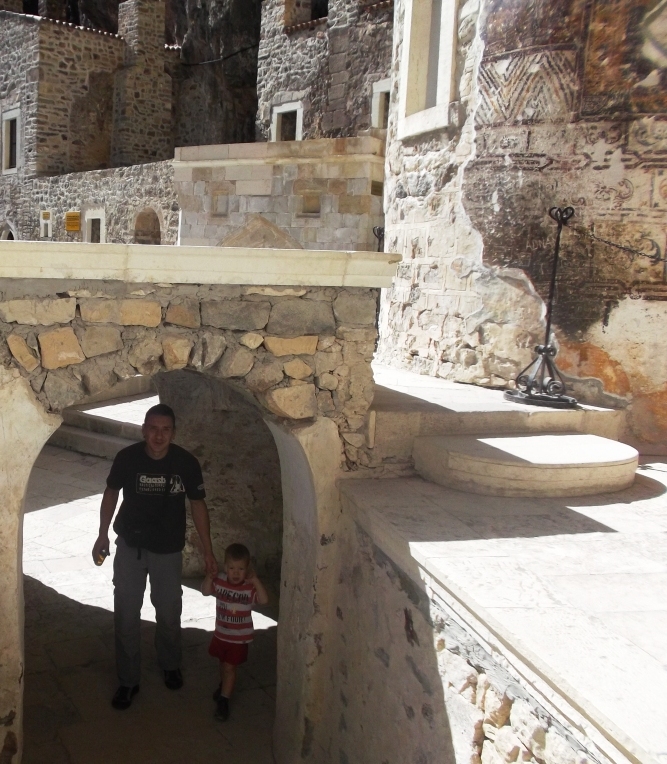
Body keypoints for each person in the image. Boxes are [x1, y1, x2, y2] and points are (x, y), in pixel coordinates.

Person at [91, 403, 217, 710]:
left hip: (168, 549)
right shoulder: (127, 458)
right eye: (153, 429)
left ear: (173, 433)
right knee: (126, 614)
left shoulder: (185, 462)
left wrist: (208, 550)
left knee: (169, 611)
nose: (159, 436)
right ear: (144, 430)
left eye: (165, 430)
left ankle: (170, 664)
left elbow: (198, 504)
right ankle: (128, 680)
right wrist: (102, 533)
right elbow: (111, 493)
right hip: (130, 546)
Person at [202, 543, 269, 721]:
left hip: (238, 639)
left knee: (230, 667)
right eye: (232, 568)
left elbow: (264, 600)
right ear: (225, 567)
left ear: (247, 569)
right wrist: (209, 577)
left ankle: (224, 699)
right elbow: (205, 591)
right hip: (221, 634)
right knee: (223, 663)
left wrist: (255, 581)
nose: (236, 573)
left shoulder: (248, 588)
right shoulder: (220, 581)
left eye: (241, 569)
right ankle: (223, 685)